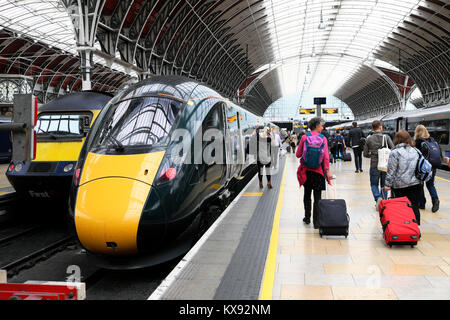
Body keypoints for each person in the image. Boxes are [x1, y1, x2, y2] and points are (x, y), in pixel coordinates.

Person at [296, 117, 333, 228]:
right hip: (319, 172)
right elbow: (326, 157)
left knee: (307, 195)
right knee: (318, 197)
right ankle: (316, 222)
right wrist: (327, 172)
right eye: (321, 125)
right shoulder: (323, 139)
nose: (322, 128)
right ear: (317, 126)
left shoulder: (304, 137)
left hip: (306, 172)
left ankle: (307, 218)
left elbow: (298, 154)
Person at [384, 130, 422, 225]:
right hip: (416, 184)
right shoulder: (416, 151)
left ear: (397, 139)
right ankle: (416, 229)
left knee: (400, 207)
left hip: (399, 186)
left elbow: (391, 171)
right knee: (414, 206)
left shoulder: (395, 152)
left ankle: (403, 227)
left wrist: (387, 184)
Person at [363, 120, 394, 210]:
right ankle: (383, 202)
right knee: (384, 184)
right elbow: (393, 149)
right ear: (380, 127)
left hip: (374, 165)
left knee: (374, 184)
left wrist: (372, 155)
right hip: (385, 165)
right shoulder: (386, 137)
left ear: (373, 128)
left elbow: (365, 154)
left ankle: (377, 198)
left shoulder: (369, 139)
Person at [414, 125, 441, 212]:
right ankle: (435, 199)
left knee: (420, 184)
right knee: (430, 184)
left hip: (422, 167)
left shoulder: (418, 141)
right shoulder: (433, 141)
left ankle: (422, 204)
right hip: (432, 166)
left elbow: (415, 156)